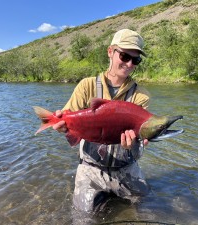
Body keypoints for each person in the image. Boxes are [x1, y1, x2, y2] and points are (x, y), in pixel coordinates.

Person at [53, 29, 151, 213]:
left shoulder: (141, 95)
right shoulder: (87, 85)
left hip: (127, 167)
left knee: (147, 208)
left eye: (136, 60)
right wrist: (61, 126)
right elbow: (67, 119)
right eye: (124, 56)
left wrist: (136, 143)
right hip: (90, 168)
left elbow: (140, 138)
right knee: (83, 217)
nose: (129, 63)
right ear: (110, 52)